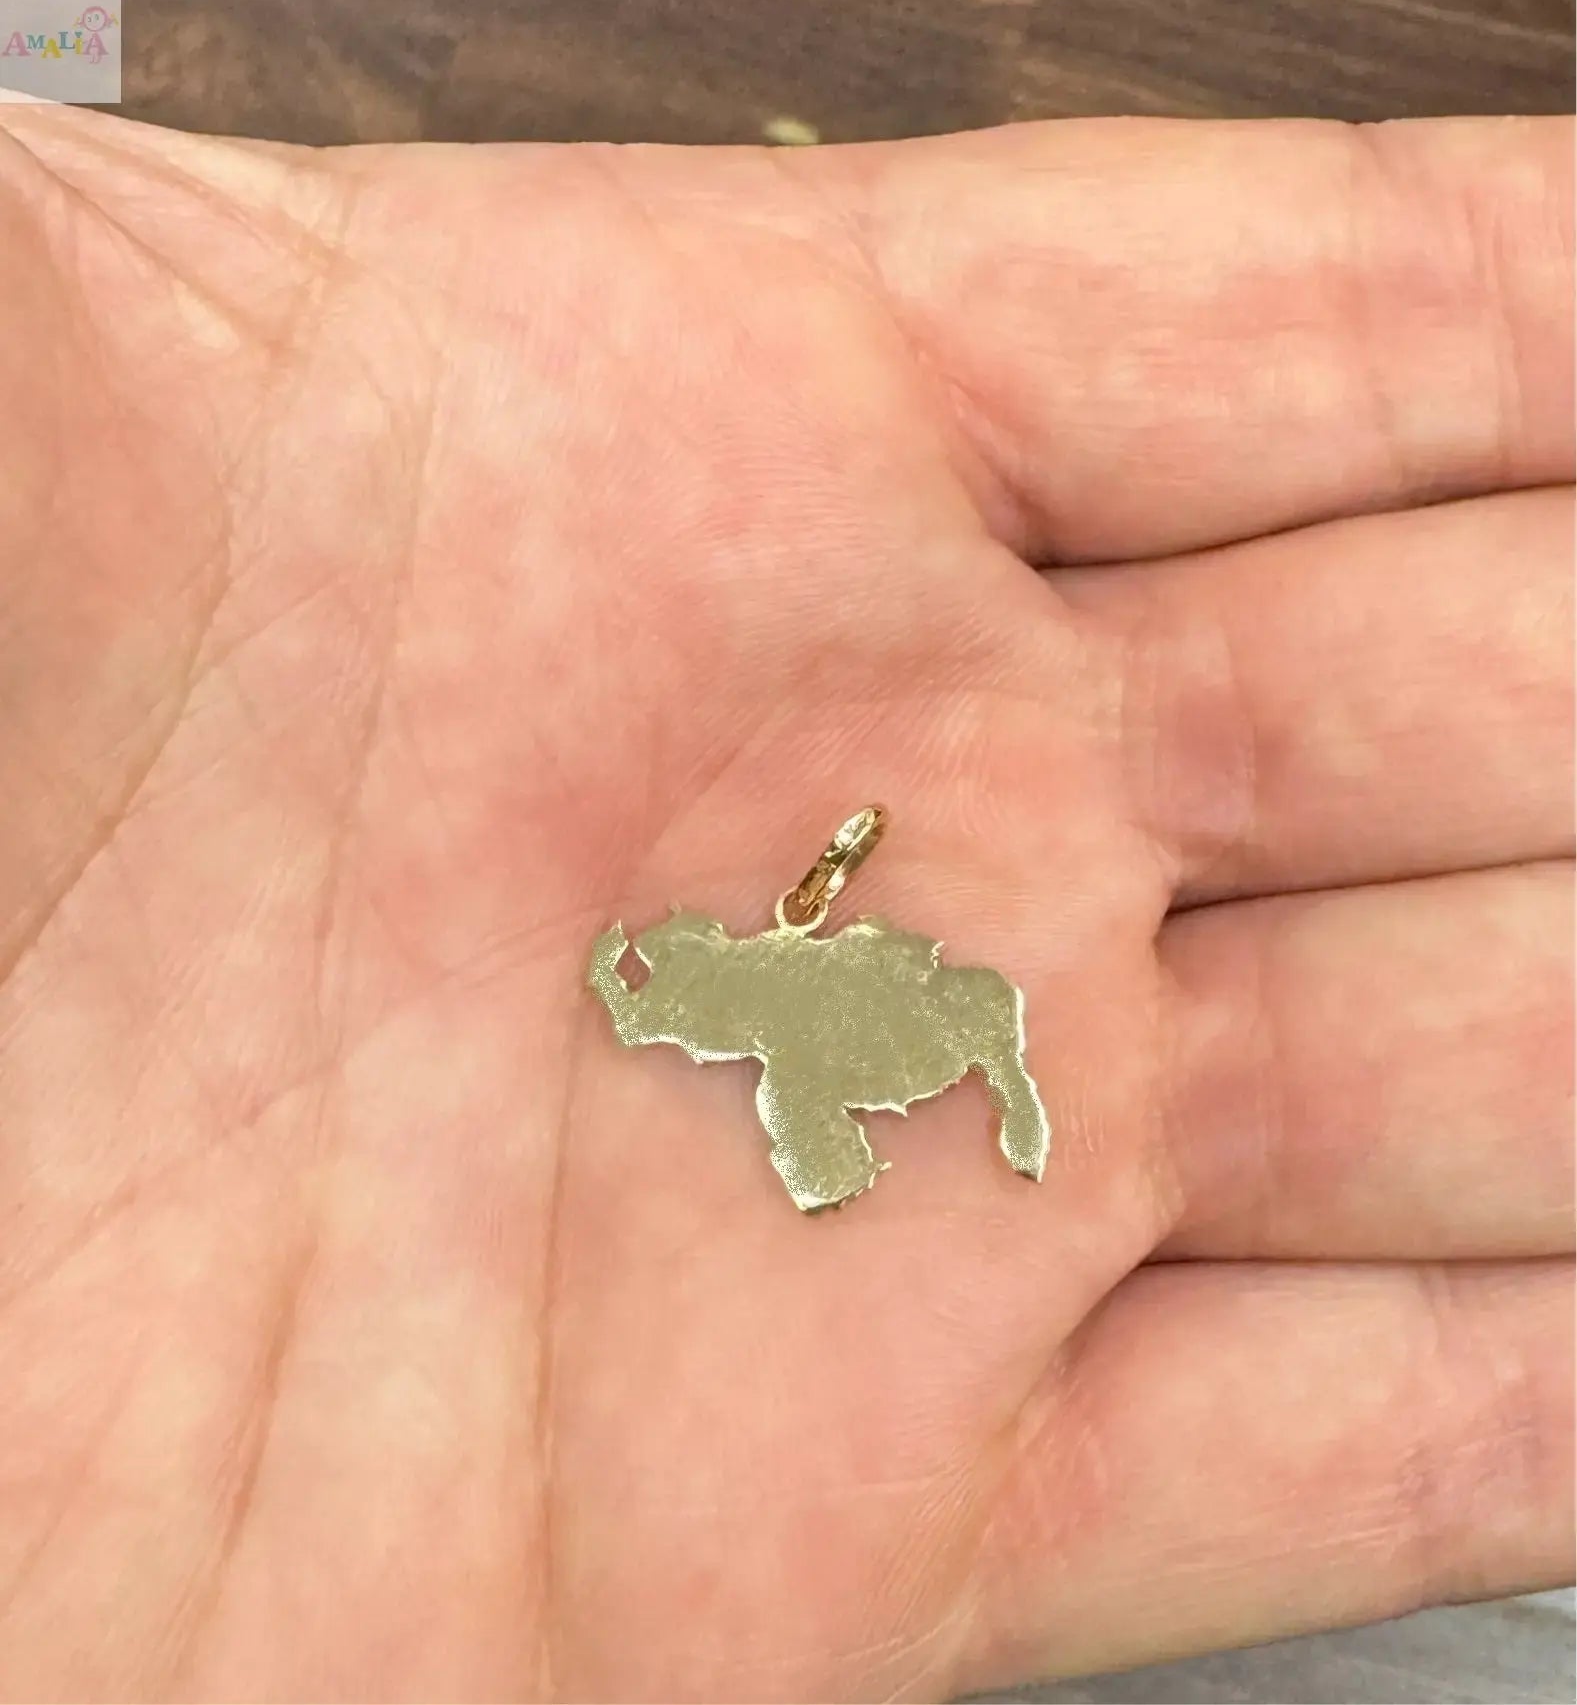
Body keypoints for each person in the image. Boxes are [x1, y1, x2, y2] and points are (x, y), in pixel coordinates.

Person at [0, 104, 1569, 1701]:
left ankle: (935, 1109)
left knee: (844, 1075)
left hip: (865, 1023)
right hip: (835, 1036)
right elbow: (697, 1004)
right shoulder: (758, 987)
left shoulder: (802, 984)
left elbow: (767, 995)